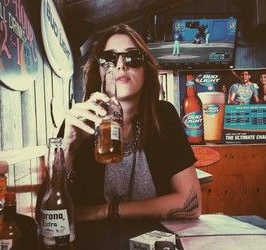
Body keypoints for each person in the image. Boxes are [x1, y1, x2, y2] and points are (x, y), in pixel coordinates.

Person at [60, 24, 202, 222]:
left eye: (132, 57)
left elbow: (191, 204)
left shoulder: (163, 116)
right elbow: (49, 214)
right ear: (98, 70)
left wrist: (105, 212)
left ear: (147, 71)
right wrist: (68, 148)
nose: (120, 65)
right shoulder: (79, 121)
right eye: (108, 58)